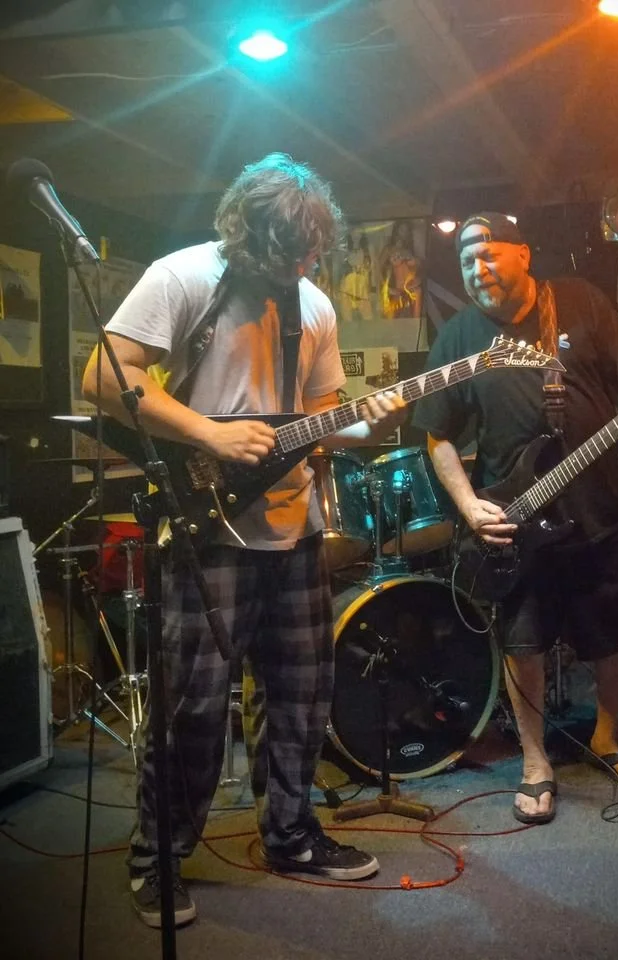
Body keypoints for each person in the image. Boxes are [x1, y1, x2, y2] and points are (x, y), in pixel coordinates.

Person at [82, 153, 406, 927]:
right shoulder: (182, 276)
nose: (301, 264)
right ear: (245, 233)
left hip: (293, 528)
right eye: (288, 250)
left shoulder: (315, 305)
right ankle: (157, 859)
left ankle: (290, 834)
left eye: (310, 250)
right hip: (206, 529)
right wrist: (209, 436)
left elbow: (323, 418)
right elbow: (102, 375)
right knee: (191, 705)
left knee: (300, 696)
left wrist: (373, 423)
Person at [412, 212, 618, 825]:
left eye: (489, 254)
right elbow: (438, 438)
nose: (478, 269)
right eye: (467, 261)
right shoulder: (459, 337)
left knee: (613, 633)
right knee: (521, 640)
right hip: (517, 519)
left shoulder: (579, 302)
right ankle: (535, 761)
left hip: (599, 508)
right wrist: (469, 505)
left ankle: (607, 736)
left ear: (523, 254)